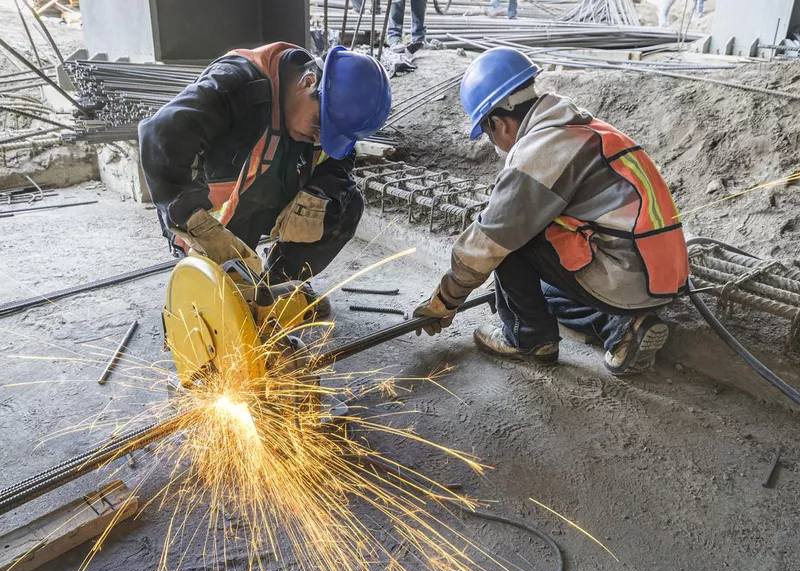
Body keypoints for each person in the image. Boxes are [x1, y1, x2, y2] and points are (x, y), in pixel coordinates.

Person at [413, 48, 690, 375]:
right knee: (546, 296)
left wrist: (447, 297)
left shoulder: (541, 150)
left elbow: (490, 238)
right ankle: (625, 326)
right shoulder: (579, 126)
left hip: (624, 273)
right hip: (661, 275)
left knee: (511, 240)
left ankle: (527, 338)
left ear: (498, 123)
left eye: (488, 134)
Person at [139, 43, 391, 300]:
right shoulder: (237, 83)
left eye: (330, 135)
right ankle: (220, 275)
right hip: (209, 220)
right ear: (307, 82)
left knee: (344, 203)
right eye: (319, 125)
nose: (320, 139)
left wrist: (318, 192)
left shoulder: (318, 117)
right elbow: (161, 135)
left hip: (264, 201)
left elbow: (340, 158)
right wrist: (197, 224)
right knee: (222, 305)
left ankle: (275, 286)